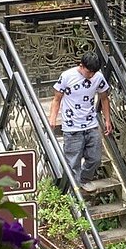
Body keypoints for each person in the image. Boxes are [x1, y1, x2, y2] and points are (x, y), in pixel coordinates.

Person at [48, 50, 113, 190]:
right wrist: (52, 118)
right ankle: (72, 189)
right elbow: (56, 99)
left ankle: (84, 179)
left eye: (93, 73)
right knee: (72, 161)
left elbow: (104, 98)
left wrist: (107, 120)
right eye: (89, 72)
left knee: (95, 159)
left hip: (91, 124)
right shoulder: (66, 76)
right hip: (72, 127)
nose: (91, 76)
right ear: (81, 65)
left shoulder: (98, 77)